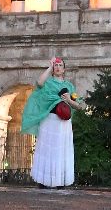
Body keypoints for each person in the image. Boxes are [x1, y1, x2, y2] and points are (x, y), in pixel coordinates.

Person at [21, 55, 78, 188]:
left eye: (60, 65)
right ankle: (43, 181)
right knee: (46, 149)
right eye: (55, 65)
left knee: (62, 151)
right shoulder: (48, 83)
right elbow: (39, 82)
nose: (57, 67)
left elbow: (78, 105)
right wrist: (49, 67)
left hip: (63, 122)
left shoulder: (69, 86)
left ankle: (60, 181)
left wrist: (69, 100)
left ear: (64, 69)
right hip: (49, 120)